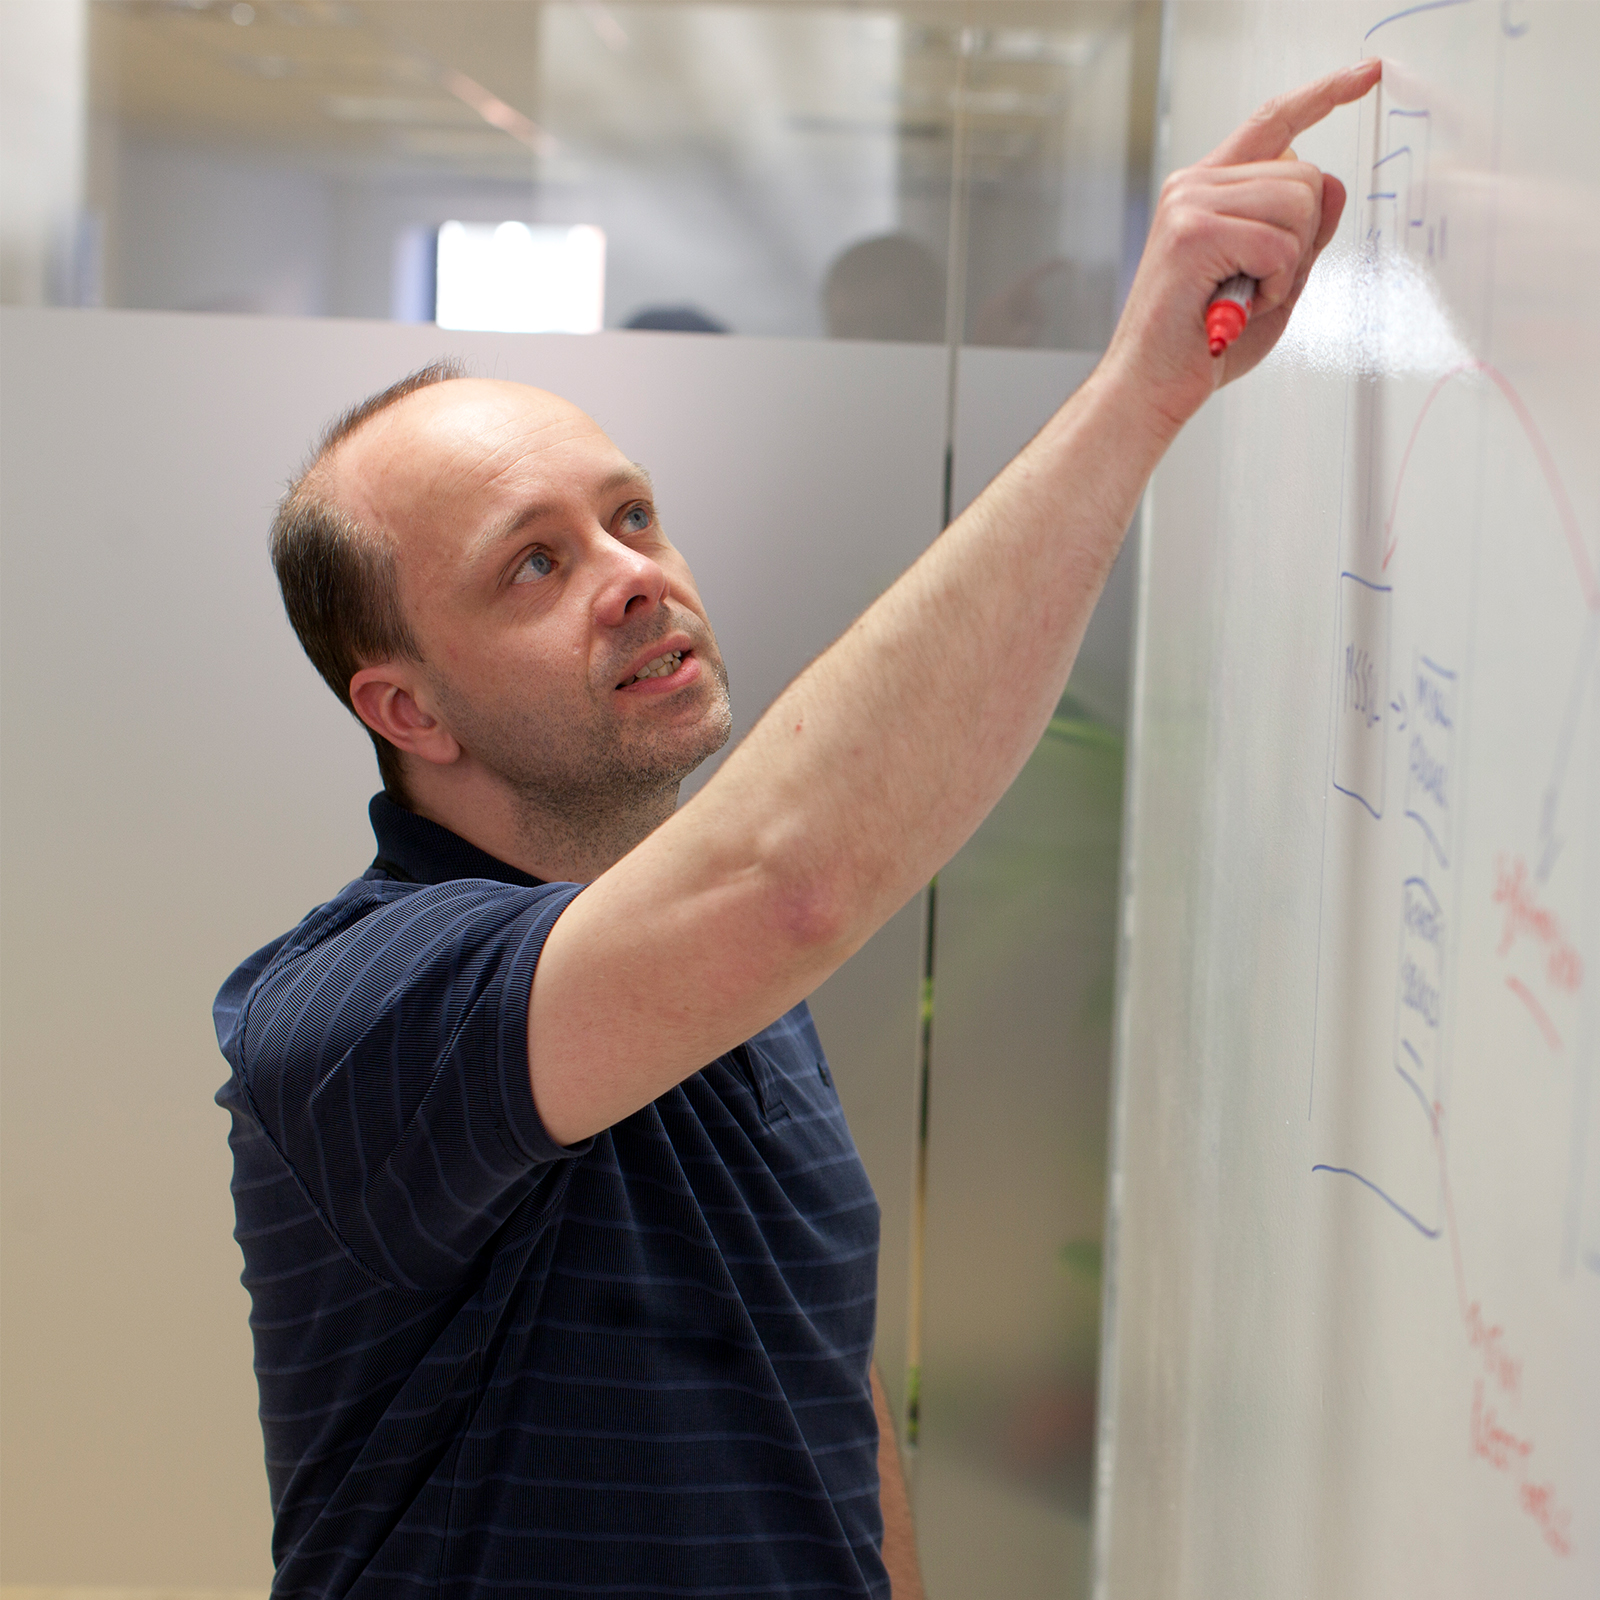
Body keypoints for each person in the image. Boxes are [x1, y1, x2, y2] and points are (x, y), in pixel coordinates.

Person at [214, 62, 1380, 1598]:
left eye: (631, 517)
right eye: (532, 567)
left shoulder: (728, 997)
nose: (631, 575)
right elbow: (788, 881)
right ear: (408, 713)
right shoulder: (350, 1024)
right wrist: (1139, 393)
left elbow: (820, 1389)